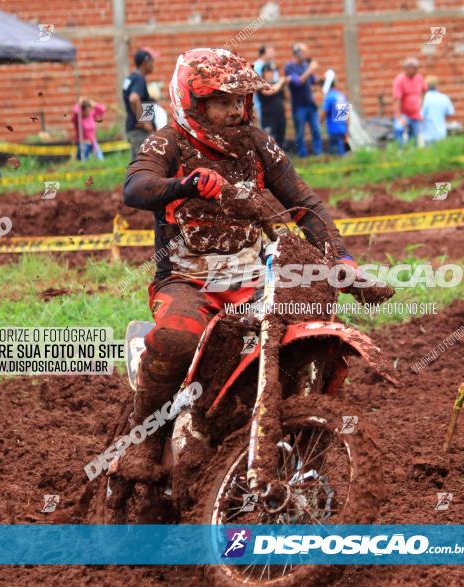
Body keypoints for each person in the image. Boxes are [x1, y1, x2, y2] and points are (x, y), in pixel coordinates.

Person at [120, 48, 376, 477]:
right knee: (179, 339)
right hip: (187, 281)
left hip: (250, 280)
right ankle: (144, 440)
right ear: (194, 103)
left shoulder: (257, 144)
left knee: (295, 341)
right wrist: (186, 184)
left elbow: (303, 204)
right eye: (223, 101)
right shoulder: (168, 142)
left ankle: (293, 443)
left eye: (241, 101)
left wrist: (342, 258)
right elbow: (136, 187)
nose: (236, 111)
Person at [284, 42, 322, 157]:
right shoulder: (289, 66)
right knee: (300, 132)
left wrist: (321, 81)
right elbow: (297, 82)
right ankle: (302, 154)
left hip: (311, 104)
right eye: (304, 52)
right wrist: (310, 69)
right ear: (297, 53)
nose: (306, 55)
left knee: (316, 129)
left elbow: (312, 81)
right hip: (299, 105)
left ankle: (318, 152)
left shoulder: (305, 65)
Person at [123, 47, 158, 158]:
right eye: (152, 61)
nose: (153, 64)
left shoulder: (131, 78)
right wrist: (144, 122)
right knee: (144, 166)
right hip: (139, 131)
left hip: (133, 128)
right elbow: (134, 98)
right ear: (145, 62)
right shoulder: (139, 79)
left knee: (136, 165)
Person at [392, 57, 427, 147]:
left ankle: (412, 154)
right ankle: (400, 150)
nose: (414, 70)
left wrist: (421, 107)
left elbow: (424, 91)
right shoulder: (399, 80)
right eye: (411, 68)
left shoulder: (419, 78)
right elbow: (397, 99)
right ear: (406, 68)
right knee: (398, 129)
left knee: (414, 136)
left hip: (415, 114)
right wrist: (399, 117)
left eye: (415, 68)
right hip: (403, 114)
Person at [419, 76, 455, 146]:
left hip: (428, 135)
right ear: (436, 85)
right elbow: (450, 112)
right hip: (441, 133)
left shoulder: (425, 99)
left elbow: (420, 116)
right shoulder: (444, 97)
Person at [259, 65, 287, 146]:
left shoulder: (276, 84)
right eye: (268, 72)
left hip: (280, 117)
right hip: (268, 118)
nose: (270, 74)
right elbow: (270, 91)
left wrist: (284, 84)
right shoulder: (262, 84)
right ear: (264, 73)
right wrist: (281, 81)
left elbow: (286, 97)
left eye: (272, 72)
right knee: (270, 141)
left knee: (280, 139)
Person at [321, 73, 349, 156]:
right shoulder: (341, 96)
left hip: (333, 129)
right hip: (342, 128)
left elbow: (324, 112)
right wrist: (346, 129)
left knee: (335, 153)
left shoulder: (329, 97)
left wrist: (320, 122)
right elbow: (346, 115)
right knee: (340, 149)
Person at [253, 45, 277, 127]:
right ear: (263, 53)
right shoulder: (256, 66)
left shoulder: (271, 64)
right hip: (261, 103)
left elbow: (275, 81)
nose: (273, 53)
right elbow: (256, 85)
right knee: (264, 127)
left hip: (273, 101)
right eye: (270, 51)